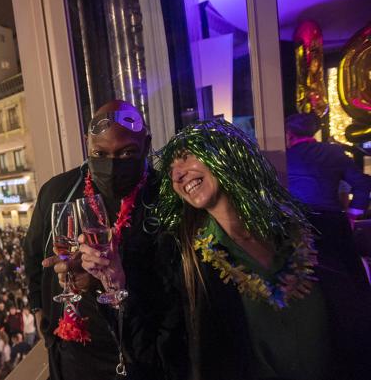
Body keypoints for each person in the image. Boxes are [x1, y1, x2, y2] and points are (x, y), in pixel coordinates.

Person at [129, 119, 369, 379]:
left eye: (185, 157)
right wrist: (117, 286)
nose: (177, 174)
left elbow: (362, 320)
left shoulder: (322, 230)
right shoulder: (186, 258)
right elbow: (166, 348)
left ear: (227, 152)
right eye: (171, 169)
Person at [24, 100, 184, 380]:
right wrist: (40, 310)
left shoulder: (168, 199)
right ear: (87, 144)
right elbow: (33, 254)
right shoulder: (57, 191)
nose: (112, 165)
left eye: (127, 153)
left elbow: (177, 290)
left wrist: (104, 281)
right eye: (100, 153)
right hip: (72, 355)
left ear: (146, 146)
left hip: (138, 357)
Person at [286, 112, 371, 298]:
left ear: (289, 134)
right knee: (348, 282)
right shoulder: (334, 152)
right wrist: (353, 214)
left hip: (297, 226)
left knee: (308, 283)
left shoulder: (284, 157)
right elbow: (363, 184)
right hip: (334, 223)